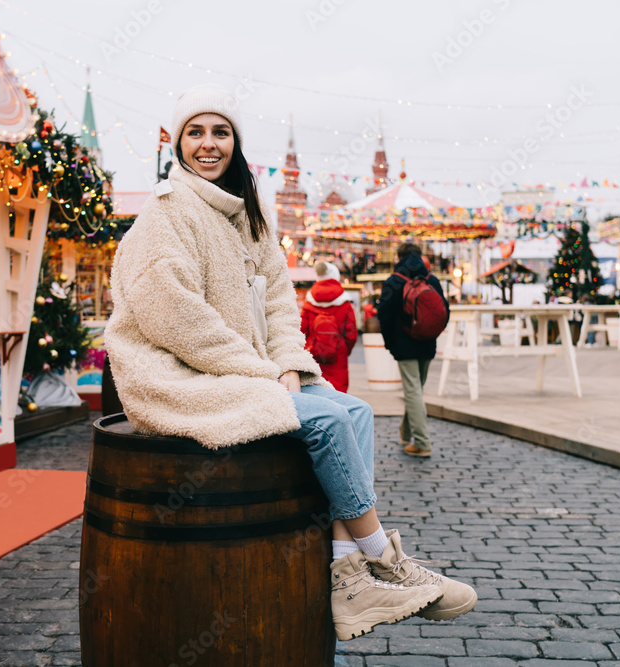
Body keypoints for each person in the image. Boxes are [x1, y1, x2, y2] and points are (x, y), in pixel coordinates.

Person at [105, 84, 476, 641]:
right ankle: (381, 557)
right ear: (179, 143)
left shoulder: (249, 215)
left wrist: (288, 365)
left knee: (354, 412)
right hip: (178, 375)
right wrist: (261, 374)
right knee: (324, 422)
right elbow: (174, 317)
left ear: (236, 142)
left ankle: (347, 578)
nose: (209, 144)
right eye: (196, 132)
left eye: (221, 132)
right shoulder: (167, 211)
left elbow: (279, 303)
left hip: (246, 370)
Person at [377, 243, 449, 458]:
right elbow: (444, 311)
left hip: (404, 344)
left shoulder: (394, 281)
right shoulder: (432, 280)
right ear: (420, 257)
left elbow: (384, 317)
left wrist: (390, 344)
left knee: (413, 391)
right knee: (415, 390)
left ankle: (423, 443)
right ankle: (406, 432)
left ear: (399, 257)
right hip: (427, 343)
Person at [301, 261, 358, 392]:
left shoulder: (309, 302)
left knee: (316, 393)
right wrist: (343, 350)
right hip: (338, 357)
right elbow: (351, 334)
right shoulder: (344, 303)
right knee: (339, 396)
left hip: (313, 356)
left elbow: (302, 331)